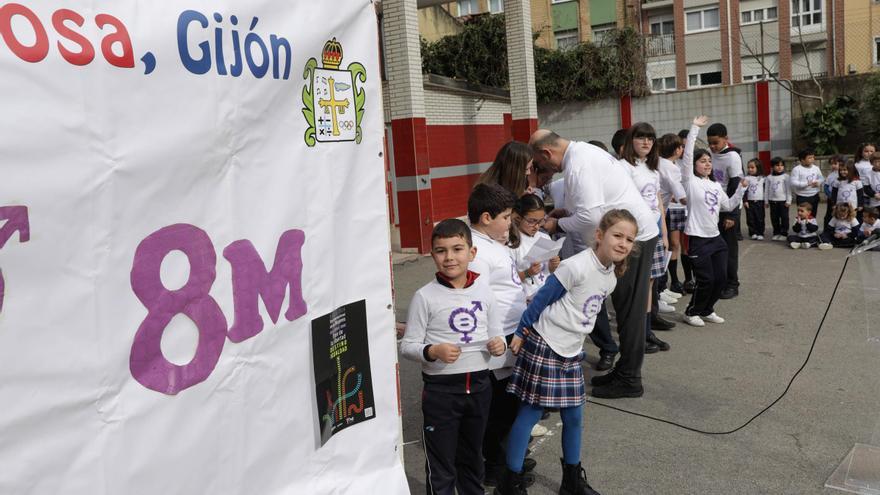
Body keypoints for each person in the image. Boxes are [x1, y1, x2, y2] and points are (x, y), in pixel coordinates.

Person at [495, 209, 639, 495]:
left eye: (629, 239)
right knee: (529, 414)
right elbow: (541, 299)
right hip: (546, 343)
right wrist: (522, 332)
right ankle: (508, 484)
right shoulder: (576, 266)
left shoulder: (610, 276)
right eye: (617, 235)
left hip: (570, 350)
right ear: (600, 235)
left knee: (574, 417)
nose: (623, 243)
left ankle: (571, 482)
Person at [528, 129, 660, 399]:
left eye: (542, 164)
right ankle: (625, 369)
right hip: (627, 234)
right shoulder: (584, 154)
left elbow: (590, 218)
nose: (547, 169)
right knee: (625, 308)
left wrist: (558, 224)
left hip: (630, 240)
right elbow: (594, 207)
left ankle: (630, 378)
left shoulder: (579, 165)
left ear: (546, 153)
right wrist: (568, 213)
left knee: (629, 311)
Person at [401, 219, 507, 495]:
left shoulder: (485, 290)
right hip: (441, 393)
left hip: (481, 388)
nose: (449, 257)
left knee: (472, 459)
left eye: (457, 249)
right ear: (432, 255)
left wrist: (500, 346)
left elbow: (497, 335)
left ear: (471, 253)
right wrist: (432, 351)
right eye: (441, 250)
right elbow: (408, 345)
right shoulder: (424, 297)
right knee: (441, 464)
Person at [466, 183, 533, 486]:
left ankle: (507, 456)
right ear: (485, 217)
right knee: (499, 408)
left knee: (509, 403)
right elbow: (476, 300)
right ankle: (496, 465)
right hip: (498, 337)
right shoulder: (477, 253)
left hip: (511, 329)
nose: (510, 222)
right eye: (505, 217)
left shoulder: (495, 242)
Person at [678, 116, 747, 328]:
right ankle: (691, 311)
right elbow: (688, 155)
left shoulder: (716, 186)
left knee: (720, 279)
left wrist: (741, 189)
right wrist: (694, 128)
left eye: (709, 160)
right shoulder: (690, 182)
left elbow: (727, 206)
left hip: (715, 238)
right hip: (697, 238)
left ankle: (707, 309)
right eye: (702, 161)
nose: (707, 163)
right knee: (706, 280)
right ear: (694, 166)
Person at [618, 123, 671, 353]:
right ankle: (635, 335)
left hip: (655, 231)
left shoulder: (652, 169)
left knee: (649, 284)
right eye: (641, 138)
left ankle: (647, 331)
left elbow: (658, 201)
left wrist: (665, 232)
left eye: (650, 138)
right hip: (637, 235)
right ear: (631, 141)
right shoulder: (623, 167)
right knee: (634, 287)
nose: (646, 142)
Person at [706, 122, 743, 299]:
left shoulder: (733, 157)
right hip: (713, 209)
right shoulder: (711, 155)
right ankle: (719, 281)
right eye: (710, 143)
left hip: (728, 210)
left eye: (716, 142)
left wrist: (732, 215)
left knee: (729, 249)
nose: (712, 147)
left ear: (726, 139)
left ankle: (732, 284)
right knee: (715, 248)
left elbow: (736, 186)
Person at [511, 194, 560, 302]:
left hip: (548, 294)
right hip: (528, 298)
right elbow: (508, 280)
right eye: (532, 221)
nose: (537, 226)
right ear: (519, 217)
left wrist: (553, 266)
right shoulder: (513, 244)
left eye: (540, 221)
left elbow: (548, 271)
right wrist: (528, 272)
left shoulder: (544, 237)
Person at [657, 133, 688, 297]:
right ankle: (659, 292)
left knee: (663, 249)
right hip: (656, 213)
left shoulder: (658, 162)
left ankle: (661, 289)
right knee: (662, 249)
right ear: (677, 150)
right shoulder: (672, 168)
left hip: (659, 210)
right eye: (681, 147)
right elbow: (682, 198)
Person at [790, 148, 824, 220]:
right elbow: (793, 182)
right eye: (809, 158)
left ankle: (811, 228)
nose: (812, 159)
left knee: (813, 213)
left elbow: (821, 178)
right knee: (802, 214)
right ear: (802, 160)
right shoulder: (797, 169)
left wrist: (818, 182)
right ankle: (802, 228)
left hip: (814, 195)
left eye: (813, 157)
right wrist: (806, 184)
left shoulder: (816, 168)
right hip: (802, 196)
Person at [766, 157, 791, 241]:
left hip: (783, 201)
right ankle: (776, 233)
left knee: (784, 218)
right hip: (773, 201)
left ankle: (784, 233)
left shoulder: (786, 177)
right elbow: (766, 190)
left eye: (782, 165)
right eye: (777, 165)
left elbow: (788, 189)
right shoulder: (769, 177)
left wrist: (788, 200)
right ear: (772, 167)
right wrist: (766, 201)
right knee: (774, 218)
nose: (780, 167)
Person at [743, 158, 766, 240]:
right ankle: (753, 232)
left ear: (758, 168)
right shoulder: (747, 178)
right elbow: (744, 191)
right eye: (748, 167)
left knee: (760, 218)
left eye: (752, 167)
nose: (750, 169)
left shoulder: (763, 178)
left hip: (760, 201)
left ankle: (760, 233)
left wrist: (766, 201)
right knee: (750, 218)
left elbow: (765, 190)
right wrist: (745, 201)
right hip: (750, 202)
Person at [822, 155, 843, 230]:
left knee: (840, 215)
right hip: (831, 199)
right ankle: (826, 230)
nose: (833, 166)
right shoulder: (830, 175)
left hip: (841, 199)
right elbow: (826, 186)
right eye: (831, 164)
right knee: (829, 215)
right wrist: (830, 195)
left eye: (835, 163)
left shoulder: (843, 174)